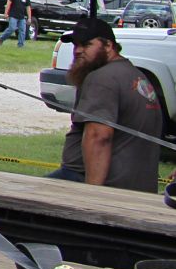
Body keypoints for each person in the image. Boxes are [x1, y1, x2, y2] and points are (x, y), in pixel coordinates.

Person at [48, 18, 165, 190]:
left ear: (108, 45)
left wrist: (93, 195)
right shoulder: (134, 74)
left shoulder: (102, 77)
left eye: (86, 44)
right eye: (75, 45)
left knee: (22, 205)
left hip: (98, 183)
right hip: (136, 186)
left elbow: (99, 137)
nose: (78, 51)